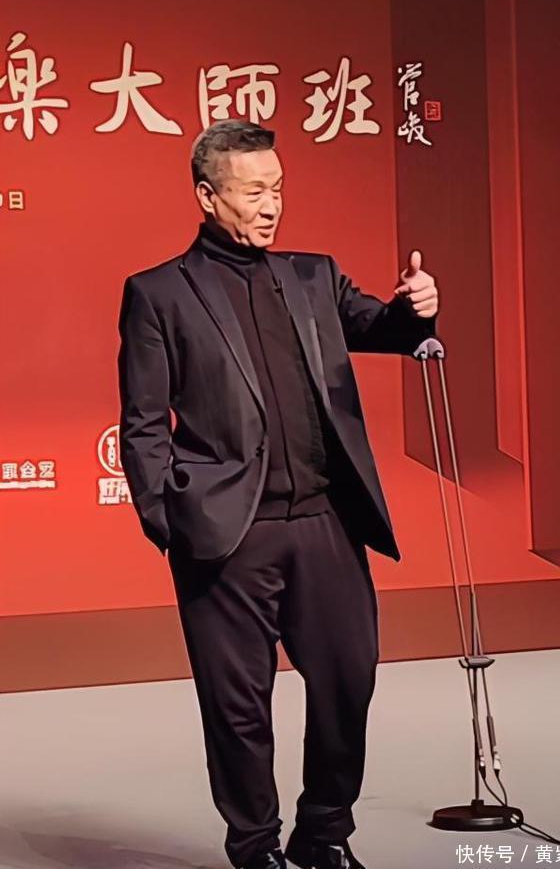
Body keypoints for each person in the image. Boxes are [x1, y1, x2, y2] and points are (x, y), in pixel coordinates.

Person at [117, 119, 439, 869]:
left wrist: (416, 307)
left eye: (279, 189)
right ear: (208, 196)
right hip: (227, 534)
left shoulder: (313, 276)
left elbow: (387, 328)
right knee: (237, 708)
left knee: (347, 681)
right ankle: (255, 846)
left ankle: (323, 833)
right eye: (254, 191)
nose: (271, 205)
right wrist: (172, 521)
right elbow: (142, 425)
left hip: (325, 522)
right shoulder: (160, 293)